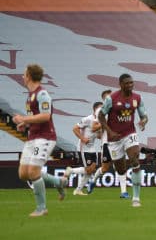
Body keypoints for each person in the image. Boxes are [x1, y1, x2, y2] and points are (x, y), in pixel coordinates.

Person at [12, 63, 66, 217]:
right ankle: (58, 182)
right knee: (23, 174)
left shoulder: (42, 94)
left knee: (33, 172)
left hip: (45, 137)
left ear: (29, 76)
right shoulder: (30, 95)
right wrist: (25, 123)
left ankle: (41, 208)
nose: (23, 76)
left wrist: (23, 118)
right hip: (32, 137)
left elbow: (45, 116)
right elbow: (36, 117)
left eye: (24, 74)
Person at [98, 73, 149, 208]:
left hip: (129, 133)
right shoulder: (111, 99)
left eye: (132, 83)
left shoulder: (137, 98)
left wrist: (143, 121)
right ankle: (124, 177)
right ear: (120, 84)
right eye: (127, 83)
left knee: (135, 159)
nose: (130, 85)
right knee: (120, 169)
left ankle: (136, 198)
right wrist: (110, 132)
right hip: (114, 138)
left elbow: (144, 115)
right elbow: (101, 116)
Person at [67, 101, 104, 195]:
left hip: (92, 147)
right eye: (100, 108)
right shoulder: (87, 119)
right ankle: (71, 171)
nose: (101, 110)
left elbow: (98, 135)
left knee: (92, 169)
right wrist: (82, 138)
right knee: (88, 169)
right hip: (84, 147)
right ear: (95, 109)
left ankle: (78, 190)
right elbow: (75, 128)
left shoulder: (100, 120)